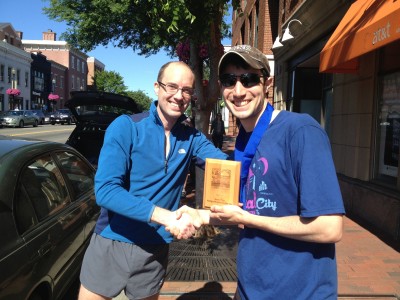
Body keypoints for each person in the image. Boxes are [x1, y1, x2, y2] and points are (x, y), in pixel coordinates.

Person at [177, 45, 345, 299]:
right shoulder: (244, 141)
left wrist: (248, 218)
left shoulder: (301, 131)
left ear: (267, 83)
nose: (238, 91)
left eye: (248, 79)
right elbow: (248, 211)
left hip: (299, 293)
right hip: (249, 288)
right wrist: (199, 216)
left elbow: (329, 228)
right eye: (229, 80)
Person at [78, 61, 228, 300]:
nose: (179, 95)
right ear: (157, 87)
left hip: (155, 246)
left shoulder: (191, 138)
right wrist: (166, 216)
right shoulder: (127, 127)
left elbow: (228, 168)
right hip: (113, 240)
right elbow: (105, 191)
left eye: (186, 90)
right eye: (172, 86)